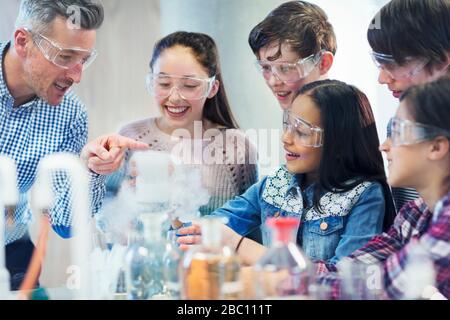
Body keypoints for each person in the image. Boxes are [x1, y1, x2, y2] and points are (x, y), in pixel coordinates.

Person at [0, 0, 146, 290]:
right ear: (22, 41)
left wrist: (90, 171)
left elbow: (65, 226)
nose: (76, 76)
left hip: (12, 251)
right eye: (65, 56)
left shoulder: (70, 115)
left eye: (84, 60)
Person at [178, 80, 396, 266]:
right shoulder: (275, 183)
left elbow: (345, 278)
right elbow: (199, 231)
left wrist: (238, 244)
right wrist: (167, 198)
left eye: (301, 132)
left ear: (339, 143)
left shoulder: (365, 196)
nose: (286, 139)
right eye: (288, 125)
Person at [316, 77, 450, 300]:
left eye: (397, 132)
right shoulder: (415, 213)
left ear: (436, 147)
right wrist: (289, 275)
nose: (383, 146)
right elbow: (352, 270)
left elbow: (388, 285)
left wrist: (285, 280)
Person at [105, 31, 258, 217]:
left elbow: (251, 230)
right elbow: (107, 222)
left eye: (190, 85)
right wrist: (128, 197)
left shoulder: (237, 148)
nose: (175, 97)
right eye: (163, 83)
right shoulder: (131, 137)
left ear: (212, 88)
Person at [368, 0, 450, 210]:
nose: (382, 78)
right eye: (379, 64)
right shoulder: (400, 131)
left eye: (393, 64)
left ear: (441, 61)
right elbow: (403, 231)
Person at [248, 0, 336, 110]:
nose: (273, 82)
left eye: (285, 68)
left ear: (323, 63)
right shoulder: (293, 115)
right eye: (266, 67)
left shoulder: (349, 122)